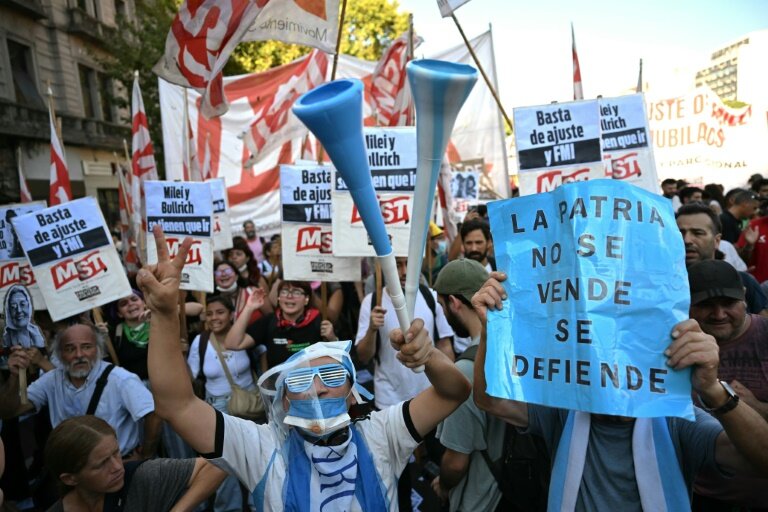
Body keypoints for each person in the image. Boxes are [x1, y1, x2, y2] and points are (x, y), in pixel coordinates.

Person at [140, 226, 471, 510]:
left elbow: (453, 391)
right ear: (284, 401)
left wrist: (429, 357)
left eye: (330, 375)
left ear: (353, 394)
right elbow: (176, 404)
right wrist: (165, 314)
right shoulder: (260, 448)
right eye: (299, 379)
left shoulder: (383, 433)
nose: (317, 387)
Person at [472, 270, 768, 511]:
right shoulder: (566, 406)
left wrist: (714, 391)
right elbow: (492, 401)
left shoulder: (677, 419)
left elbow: (760, 459)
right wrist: (491, 332)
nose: (616, 375)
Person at [430, 259, 539, 511]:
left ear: (454, 303)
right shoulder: (519, 352)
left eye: (442, 306)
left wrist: (444, 485)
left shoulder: (466, 370)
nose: (443, 314)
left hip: (481, 502)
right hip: (522, 491)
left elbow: (456, 462)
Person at [0, 322, 160, 459]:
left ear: (98, 350)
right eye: (70, 349)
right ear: (59, 355)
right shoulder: (51, 380)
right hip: (74, 472)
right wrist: (15, 376)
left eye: (86, 347)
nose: (79, 354)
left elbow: (153, 415)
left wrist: (145, 454)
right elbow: (10, 411)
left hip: (117, 467)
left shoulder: (121, 379)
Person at [686, 260, 768, 510]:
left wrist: (755, 407)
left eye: (728, 303)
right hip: (700, 497)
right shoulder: (674, 345)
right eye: (706, 305)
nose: (719, 314)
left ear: (744, 297)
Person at [44, 415, 225, 512]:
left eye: (116, 453)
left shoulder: (140, 477)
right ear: (70, 478)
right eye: (101, 464)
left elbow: (216, 465)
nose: (117, 467)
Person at [356, 256, 455, 410]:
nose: (404, 272)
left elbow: (445, 346)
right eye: (397, 265)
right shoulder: (372, 302)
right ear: (384, 267)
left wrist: (450, 386)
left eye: (409, 264)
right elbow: (363, 356)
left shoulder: (432, 297)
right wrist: (372, 329)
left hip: (429, 396)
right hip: (388, 401)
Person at [187, 295, 257, 512]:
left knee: (255, 457)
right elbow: (191, 377)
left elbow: (262, 365)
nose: (214, 317)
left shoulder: (245, 335)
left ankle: (259, 504)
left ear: (231, 315)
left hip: (249, 407)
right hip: (217, 410)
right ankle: (230, 508)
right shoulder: (200, 342)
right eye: (209, 313)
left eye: (220, 312)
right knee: (223, 463)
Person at [224, 281, 337, 372]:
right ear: (278, 298)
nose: (289, 296)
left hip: (312, 389)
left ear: (306, 299)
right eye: (284, 292)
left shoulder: (319, 321)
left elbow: (337, 360)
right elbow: (232, 344)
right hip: (280, 391)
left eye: (297, 292)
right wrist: (249, 307)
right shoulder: (269, 321)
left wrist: (332, 339)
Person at [675, 203, 768, 315]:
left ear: (717, 241)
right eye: (680, 233)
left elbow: (762, 326)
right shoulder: (662, 284)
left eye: (697, 233)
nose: (687, 240)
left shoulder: (745, 281)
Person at [2, 285, 47, 364]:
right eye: (13, 307)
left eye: (22, 304)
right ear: (8, 311)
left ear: (29, 307)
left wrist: (40, 360)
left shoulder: (38, 336)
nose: (19, 310)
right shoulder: (6, 339)